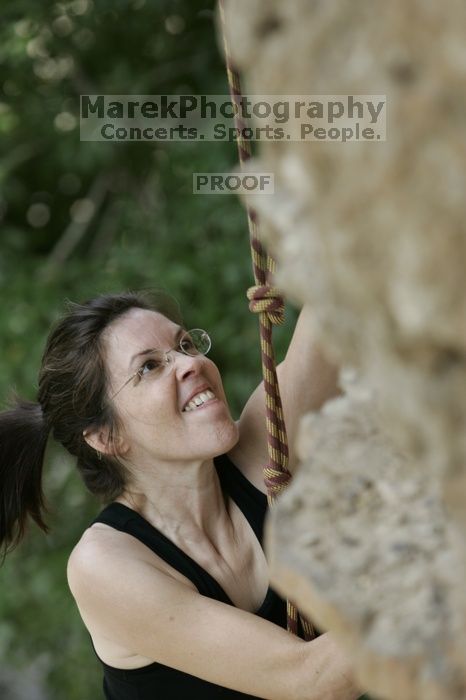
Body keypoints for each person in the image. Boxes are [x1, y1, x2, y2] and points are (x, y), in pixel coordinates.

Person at [0, 289, 363, 700]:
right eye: (150, 367)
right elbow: (311, 680)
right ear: (107, 436)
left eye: (186, 344)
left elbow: (348, 299)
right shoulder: (106, 565)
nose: (192, 363)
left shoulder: (263, 452)